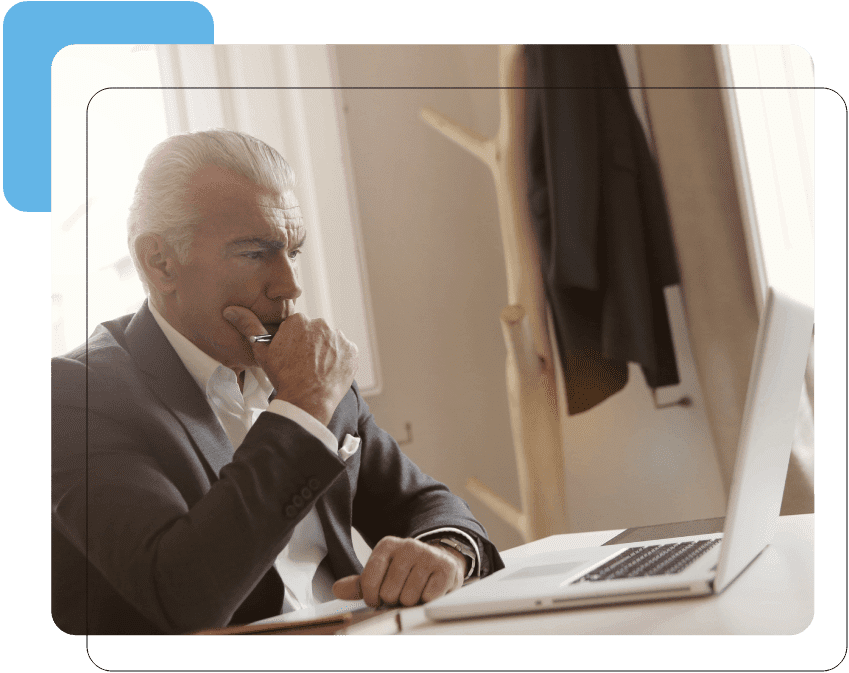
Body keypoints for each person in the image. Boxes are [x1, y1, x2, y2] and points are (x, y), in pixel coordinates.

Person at [51, 129, 503, 635]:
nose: (289, 286)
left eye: (293, 252)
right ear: (160, 263)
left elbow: (426, 503)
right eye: (255, 253)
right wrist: (302, 406)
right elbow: (181, 595)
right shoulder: (73, 397)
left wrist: (446, 552)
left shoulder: (309, 369)